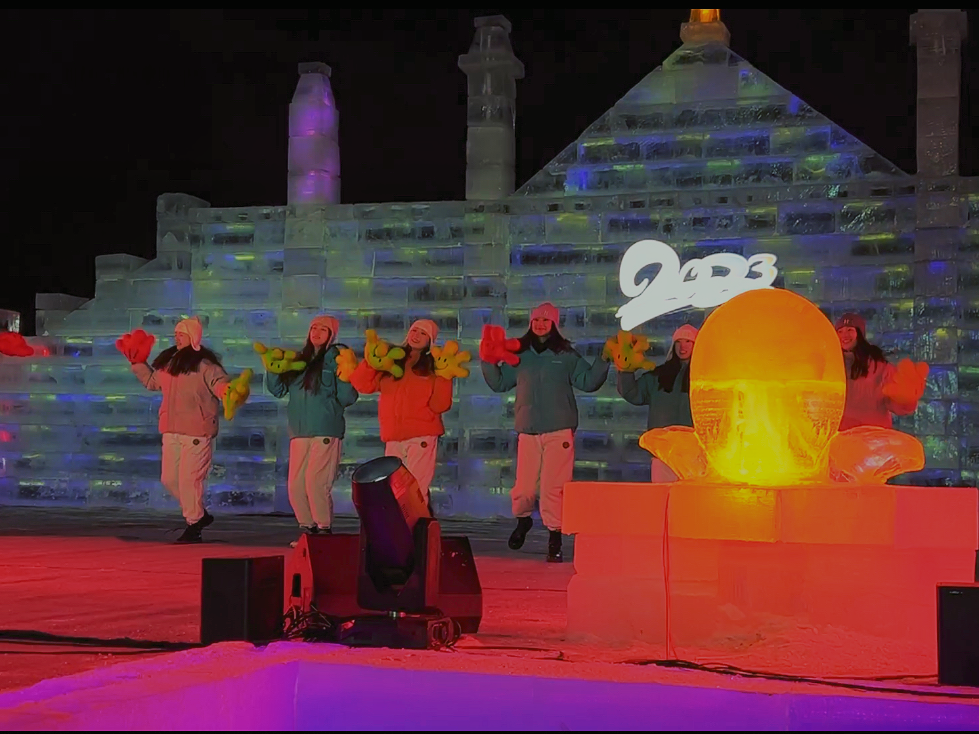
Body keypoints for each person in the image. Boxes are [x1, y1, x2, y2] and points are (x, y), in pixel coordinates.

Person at [480, 302, 610, 563]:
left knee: (554, 488)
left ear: (554, 324)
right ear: (531, 322)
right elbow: (500, 383)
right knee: (524, 487)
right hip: (528, 430)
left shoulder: (565, 354)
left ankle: (555, 536)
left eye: (545, 320)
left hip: (559, 431)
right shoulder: (520, 354)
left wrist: (603, 360)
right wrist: (488, 360)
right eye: (536, 320)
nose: (540, 324)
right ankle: (523, 520)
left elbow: (587, 381)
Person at [121, 317, 232, 544]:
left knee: (189, 481)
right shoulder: (169, 363)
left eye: (181, 334)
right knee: (169, 479)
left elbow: (220, 384)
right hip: (171, 430)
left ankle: (194, 524)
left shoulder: (205, 366)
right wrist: (138, 363)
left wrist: (229, 391)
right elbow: (152, 382)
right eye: (176, 334)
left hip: (197, 432)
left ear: (193, 337)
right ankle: (199, 515)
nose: (177, 337)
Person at [262, 315, 358, 544]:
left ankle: (324, 528)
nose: (316, 332)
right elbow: (278, 390)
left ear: (331, 335)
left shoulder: (336, 359)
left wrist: (347, 376)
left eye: (323, 329)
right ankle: (308, 528)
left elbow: (348, 397)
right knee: (295, 485)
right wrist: (273, 368)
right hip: (299, 431)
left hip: (325, 428)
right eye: (314, 327)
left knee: (316, 482)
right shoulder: (298, 360)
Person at [349, 319, 454, 512]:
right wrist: (371, 361)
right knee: (393, 488)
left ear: (430, 340)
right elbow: (362, 384)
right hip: (393, 436)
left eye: (423, 333)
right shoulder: (392, 359)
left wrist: (445, 378)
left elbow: (440, 405)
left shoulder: (435, 364)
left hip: (421, 435)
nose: (416, 335)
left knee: (416, 488)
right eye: (414, 330)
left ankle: (419, 526)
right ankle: (401, 526)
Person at [617, 324, 698, 483]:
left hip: (693, 453)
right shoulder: (658, 376)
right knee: (662, 495)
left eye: (688, 341)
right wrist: (626, 370)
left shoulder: (704, 378)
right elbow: (633, 393)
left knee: (689, 496)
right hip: (662, 453)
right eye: (678, 342)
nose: (682, 347)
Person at [835, 313, 925, 431]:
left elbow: (896, 404)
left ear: (860, 334)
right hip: (838, 438)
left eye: (849, 330)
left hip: (872, 438)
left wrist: (906, 399)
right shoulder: (831, 365)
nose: (844, 335)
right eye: (840, 331)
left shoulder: (879, 367)